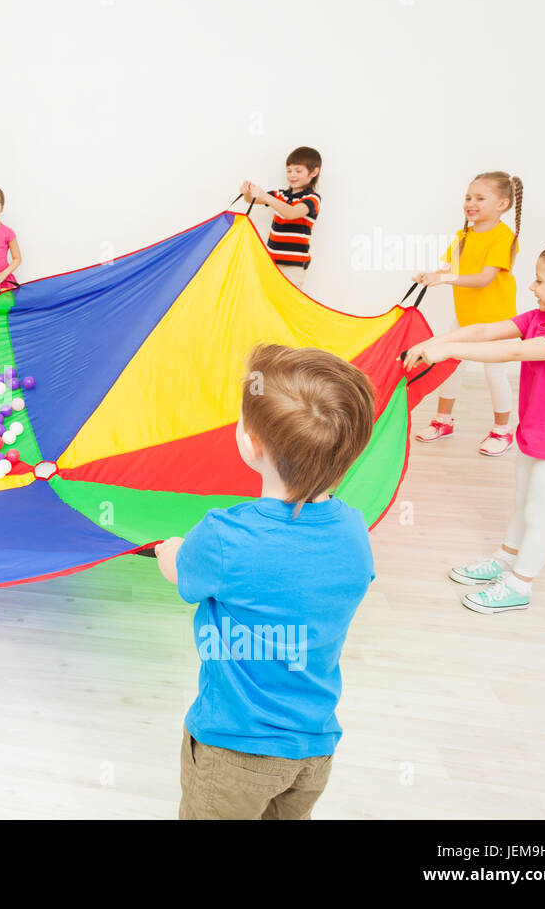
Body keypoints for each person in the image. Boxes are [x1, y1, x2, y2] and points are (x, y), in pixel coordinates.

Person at [154, 343, 376, 819]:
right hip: (314, 746)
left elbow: (183, 578)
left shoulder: (224, 535)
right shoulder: (354, 530)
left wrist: (169, 550)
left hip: (232, 746)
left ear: (251, 443)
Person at [404, 237, 545, 614]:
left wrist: (447, 351)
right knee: (522, 505)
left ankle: (520, 584)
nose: (531, 287)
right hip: (536, 434)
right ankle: (504, 560)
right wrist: (440, 338)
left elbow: (514, 351)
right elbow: (484, 331)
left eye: (540, 280)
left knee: (539, 515)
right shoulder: (539, 318)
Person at [412, 171, 524, 455]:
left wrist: (444, 279)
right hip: (465, 316)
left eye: (480, 198)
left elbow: (484, 278)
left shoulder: (504, 237)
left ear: (503, 204)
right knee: (451, 367)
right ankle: (443, 421)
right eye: (468, 197)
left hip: (497, 321)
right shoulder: (463, 236)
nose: (470, 203)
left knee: (494, 374)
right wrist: (433, 275)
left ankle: (502, 431)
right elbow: (449, 270)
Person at [239, 146, 322, 282]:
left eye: (298, 170)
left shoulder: (313, 198)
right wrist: (248, 192)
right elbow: (251, 200)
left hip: (293, 267)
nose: (292, 175)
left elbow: (291, 213)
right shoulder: (279, 195)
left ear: (314, 172)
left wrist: (265, 196)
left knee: (288, 303)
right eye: (289, 171)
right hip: (271, 262)